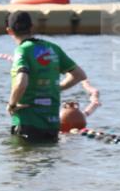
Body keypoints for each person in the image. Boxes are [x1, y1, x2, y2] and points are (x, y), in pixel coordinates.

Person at [6, 11, 88, 142]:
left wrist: (11, 104)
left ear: (9, 31)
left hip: (28, 122)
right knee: (48, 158)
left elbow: (21, 82)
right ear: (32, 27)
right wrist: (56, 88)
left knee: (21, 159)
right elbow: (79, 75)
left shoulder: (22, 50)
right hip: (52, 123)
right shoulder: (53, 48)